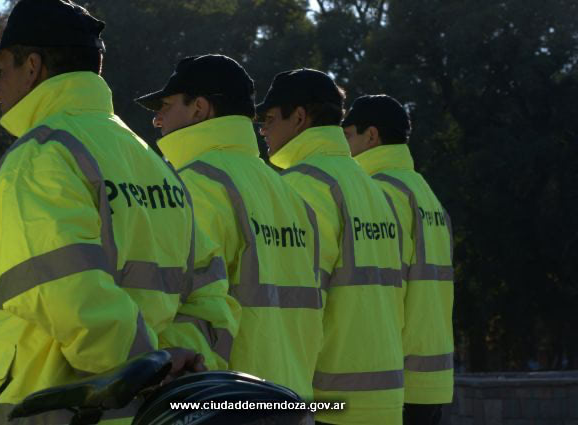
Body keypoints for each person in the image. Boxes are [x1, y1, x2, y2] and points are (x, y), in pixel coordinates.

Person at [0, 1, 239, 424]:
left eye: (0, 71)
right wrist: (173, 364)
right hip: (149, 414)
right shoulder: (155, 165)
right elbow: (209, 294)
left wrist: (151, 369)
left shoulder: (37, 160)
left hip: (52, 411)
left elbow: (69, 295)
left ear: (32, 67)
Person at [135, 54, 324, 401]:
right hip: (292, 401)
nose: (157, 119)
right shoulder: (291, 196)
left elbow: (191, 312)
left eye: (165, 106)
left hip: (229, 402)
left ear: (199, 109)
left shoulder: (192, 186)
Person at [257, 69, 405, 425]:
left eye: (269, 119)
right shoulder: (371, 188)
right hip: (384, 397)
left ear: (299, 117)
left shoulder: (302, 186)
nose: (262, 130)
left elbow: (297, 306)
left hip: (330, 400)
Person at [342, 94, 454, 425]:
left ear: (371, 135)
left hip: (391, 376)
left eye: (347, 135)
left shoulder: (379, 194)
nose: (343, 147)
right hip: (430, 377)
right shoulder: (426, 194)